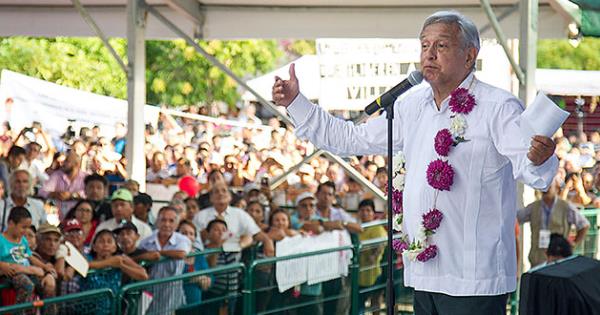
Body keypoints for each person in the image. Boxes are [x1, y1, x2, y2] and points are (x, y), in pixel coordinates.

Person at [273, 11, 558, 314]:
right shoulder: (409, 105)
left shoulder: (497, 107)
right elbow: (350, 139)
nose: (430, 55)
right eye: (424, 46)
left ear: (470, 55)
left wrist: (539, 159)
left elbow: (532, 170)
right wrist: (296, 102)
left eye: (442, 46)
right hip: (424, 270)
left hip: (473, 276)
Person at [517, 179, 589, 267]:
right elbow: (516, 219)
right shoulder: (533, 207)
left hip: (558, 258)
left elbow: (584, 225)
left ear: (556, 188)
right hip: (537, 258)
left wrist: (574, 243)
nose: (546, 190)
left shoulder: (565, 206)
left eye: (549, 187)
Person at [138, 206, 191, 314]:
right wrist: (146, 256)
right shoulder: (147, 241)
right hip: (149, 290)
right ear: (157, 221)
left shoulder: (182, 239)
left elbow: (181, 254)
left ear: (176, 224)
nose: (167, 224)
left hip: (172, 292)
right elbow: (138, 257)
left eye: (171, 221)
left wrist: (158, 254)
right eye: (163, 220)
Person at [357, 199, 387, 314]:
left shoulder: (377, 228)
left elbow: (380, 245)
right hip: (359, 274)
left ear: (373, 213)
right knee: (359, 305)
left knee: (375, 303)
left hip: (374, 273)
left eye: (368, 210)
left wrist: (374, 254)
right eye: (362, 210)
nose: (365, 213)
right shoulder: (358, 227)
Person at [39, 150, 87, 218]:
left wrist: (72, 195)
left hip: (80, 216)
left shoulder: (86, 177)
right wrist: (54, 194)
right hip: (59, 215)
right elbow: (41, 191)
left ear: (76, 164)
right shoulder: (57, 175)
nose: (63, 163)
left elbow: (89, 194)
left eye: (67, 161)